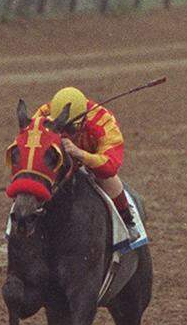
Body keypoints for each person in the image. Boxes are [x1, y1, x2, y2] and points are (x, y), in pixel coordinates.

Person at [32, 87, 147, 249]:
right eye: (60, 128)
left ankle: (127, 222)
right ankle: (16, 224)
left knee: (110, 181)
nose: (64, 134)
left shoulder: (103, 121)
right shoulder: (43, 114)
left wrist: (79, 153)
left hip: (91, 163)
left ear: (84, 120)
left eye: (70, 129)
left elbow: (110, 165)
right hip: (56, 162)